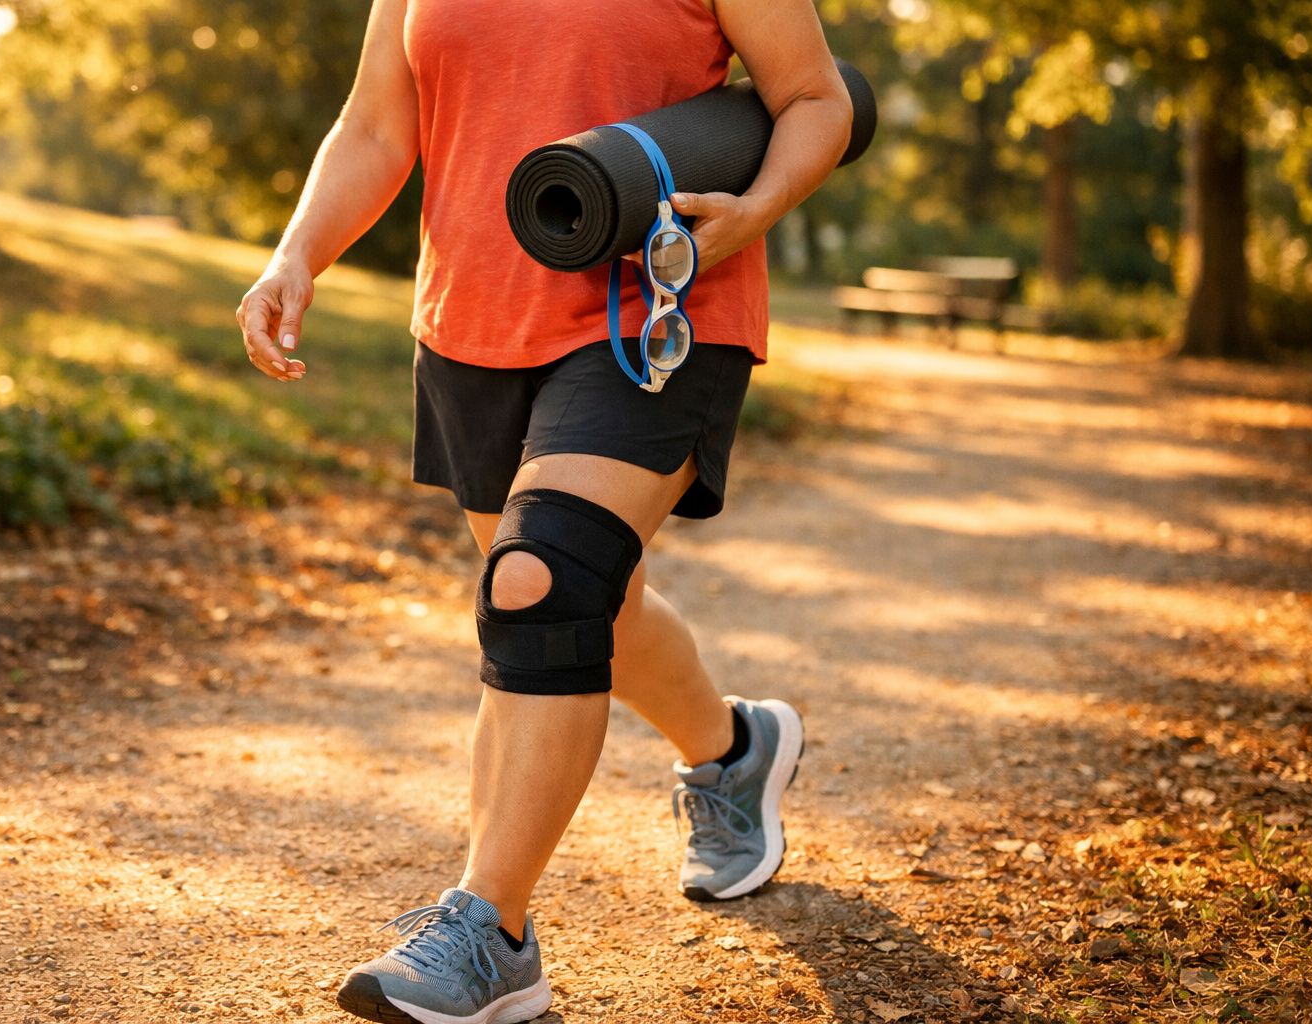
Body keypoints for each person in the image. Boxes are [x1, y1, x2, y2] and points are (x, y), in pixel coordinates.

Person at [236, 1, 853, 1021]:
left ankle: (493, 931)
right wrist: (296, 253)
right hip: (473, 322)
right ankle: (733, 753)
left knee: (543, 584)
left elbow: (815, 97)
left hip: (659, 302)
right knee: (583, 606)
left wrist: (763, 205)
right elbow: (379, 125)